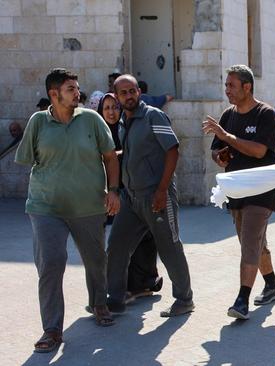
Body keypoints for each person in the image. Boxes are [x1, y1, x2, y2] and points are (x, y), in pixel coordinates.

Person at [14, 68, 120, 352]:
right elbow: (27, 159)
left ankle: (99, 303)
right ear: (54, 94)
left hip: (88, 206)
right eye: (71, 89)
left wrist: (114, 190)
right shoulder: (38, 122)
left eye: (77, 88)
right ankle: (52, 328)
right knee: (50, 263)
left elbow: (110, 157)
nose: (77, 93)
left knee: (96, 259)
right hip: (45, 206)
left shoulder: (92, 119)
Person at [106, 74, 194, 318]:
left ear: (138, 92)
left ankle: (184, 299)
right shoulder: (125, 120)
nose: (129, 96)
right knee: (117, 245)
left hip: (156, 195)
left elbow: (172, 150)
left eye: (132, 91)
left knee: (169, 247)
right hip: (131, 198)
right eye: (123, 93)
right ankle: (114, 298)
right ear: (116, 96)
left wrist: (162, 189)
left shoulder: (153, 115)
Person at [202, 65, 275, 320]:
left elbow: (259, 151)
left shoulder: (265, 113)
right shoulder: (228, 115)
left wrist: (228, 137)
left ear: (247, 87)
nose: (227, 90)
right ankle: (272, 284)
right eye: (226, 85)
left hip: (262, 189)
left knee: (249, 240)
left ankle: (242, 299)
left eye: (231, 86)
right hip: (236, 190)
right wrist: (219, 155)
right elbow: (216, 149)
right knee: (255, 243)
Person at [97, 93, 163, 303]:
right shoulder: (99, 132)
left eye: (115, 107)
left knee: (142, 241)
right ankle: (120, 287)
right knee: (118, 242)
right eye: (106, 107)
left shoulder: (129, 127)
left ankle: (143, 283)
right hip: (110, 196)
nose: (111, 112)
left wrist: (114, 155)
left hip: (135, 192)